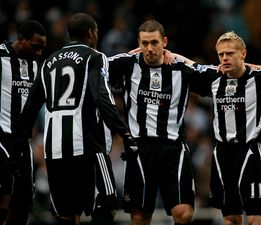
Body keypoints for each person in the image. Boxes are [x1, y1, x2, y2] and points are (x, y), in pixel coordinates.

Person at [13, 12, 137, 225]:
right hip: (87, 144)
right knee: (106, 203)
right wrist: (124, 132)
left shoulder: (48, 62)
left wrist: (18, 144)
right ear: (91, 33)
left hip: (55, 149)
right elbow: (101, 97)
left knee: (67, 214)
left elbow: (30, 108)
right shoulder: (94, 57)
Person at [107, 19, 215, 225]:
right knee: (139, 217)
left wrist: (181, 58)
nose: (149, 48)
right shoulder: (128, 64)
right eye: (144, 43)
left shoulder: (181, 68)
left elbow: (213, 72)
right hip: (140, 148)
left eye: (154, 42)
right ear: (138, 44)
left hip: (173, 148)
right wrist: (131, 52)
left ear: (164, 42)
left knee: (183, 213)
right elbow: (95, 64)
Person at [173, 31, 261, 225]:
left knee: (256, 218)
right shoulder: (214, 77)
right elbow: (190, 65)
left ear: (243, 54)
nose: (225, 58)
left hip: (251, 152)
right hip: (223, 153)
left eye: (231, 53)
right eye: (221, 54)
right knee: (230, 218)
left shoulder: (260, 78)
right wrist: (165, 52)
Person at [0, 20, 47, 225]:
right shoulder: (0, 56)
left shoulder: (36, 66)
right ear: (21, 39)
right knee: (3, 197)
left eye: (42, 49)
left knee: (24, 201)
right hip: (1, 138)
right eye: (35, 47)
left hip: (23, 144)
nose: (38, 53)